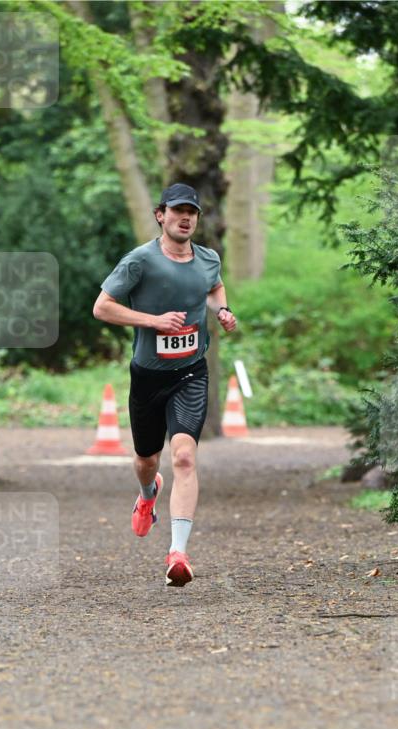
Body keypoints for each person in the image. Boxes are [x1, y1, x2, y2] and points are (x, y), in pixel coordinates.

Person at [93, 183, 237, 587]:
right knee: (147, 460)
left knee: (186, 458)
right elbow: (102, 307)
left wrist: (222, 310)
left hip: (191, 372)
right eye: (177, 211)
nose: (185, 217)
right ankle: (147, 493)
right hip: (148, 375)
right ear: (161, 215)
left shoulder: (208, 258)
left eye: (191, 211)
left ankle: (178, 552)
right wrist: (153, 321)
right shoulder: (140, 261)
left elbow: (213, 287)